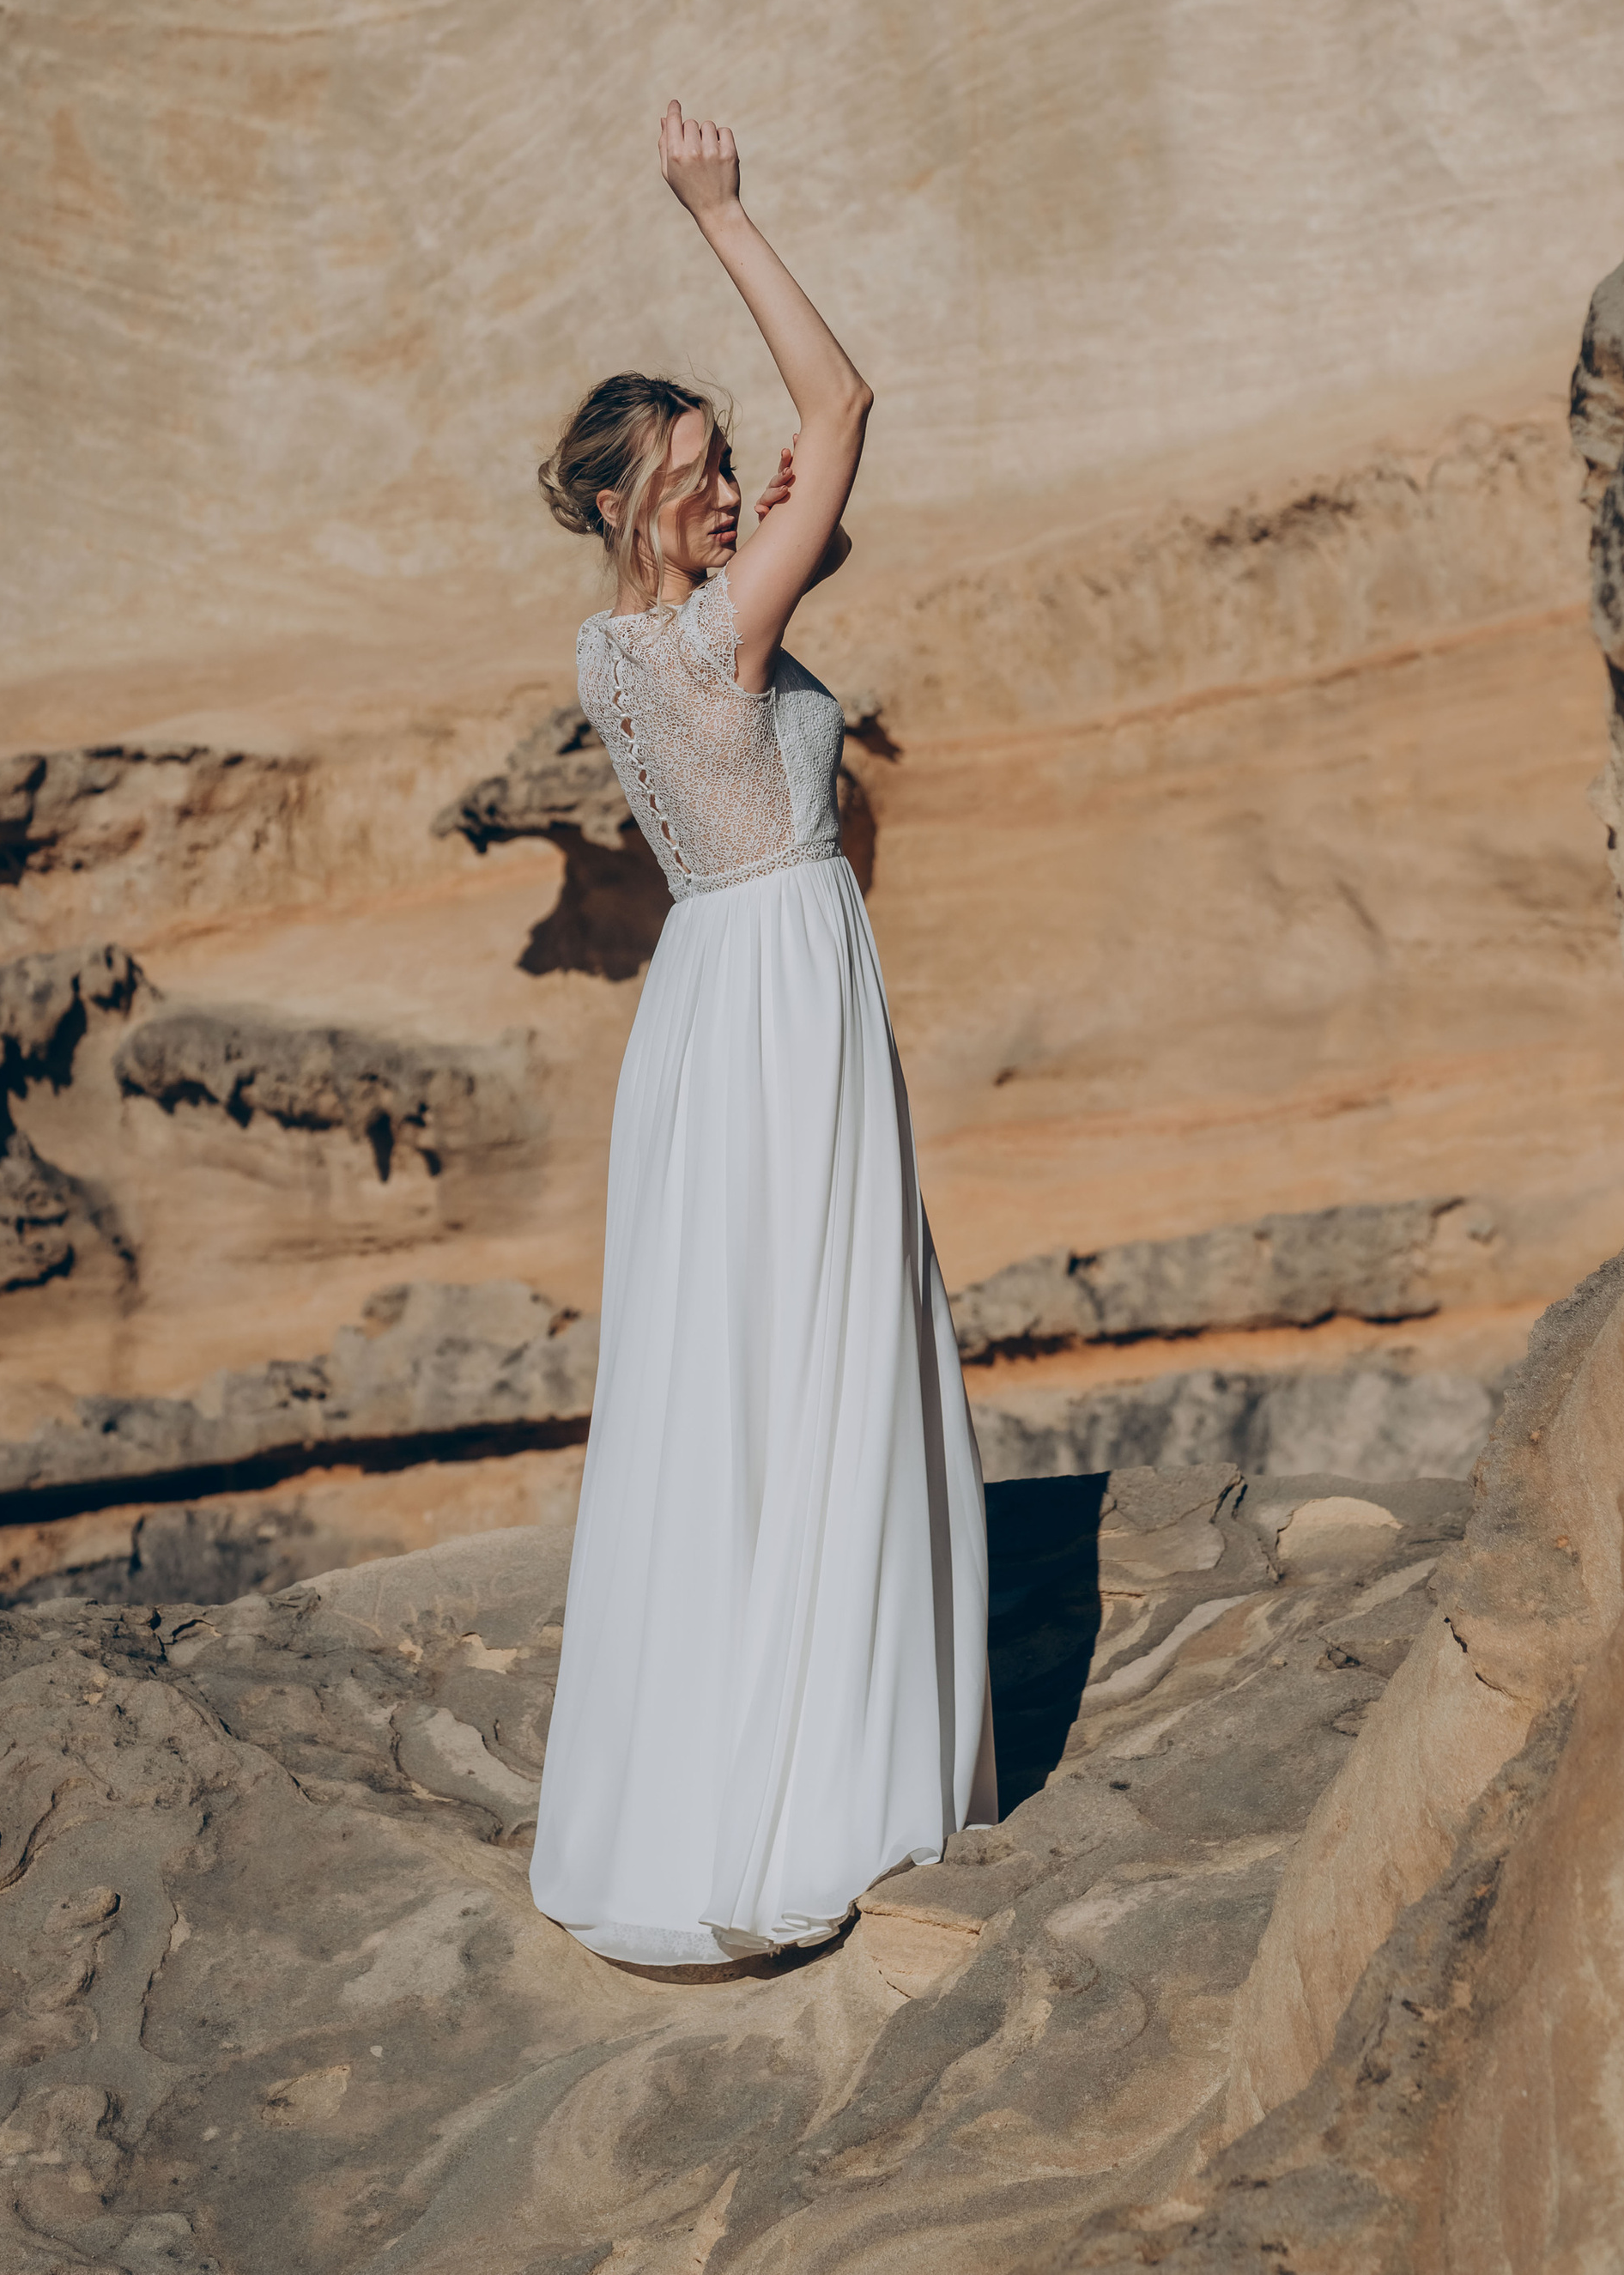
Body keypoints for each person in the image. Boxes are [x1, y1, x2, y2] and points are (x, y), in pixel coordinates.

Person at [525, 101, 997, 1967]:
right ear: (646, 500)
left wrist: (767, 482)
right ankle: (823, 1785)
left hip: (717, 999)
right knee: (813, 1343)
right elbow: (851, 406)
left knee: (730, 1367)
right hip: (781, 989)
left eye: (732, 466)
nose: (733, 487)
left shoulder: (618, 647)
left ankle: (719, 1754)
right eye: (704, 469)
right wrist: (720, 215)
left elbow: (821, 469)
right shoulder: (721, 629)